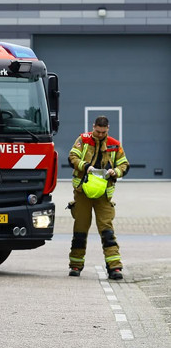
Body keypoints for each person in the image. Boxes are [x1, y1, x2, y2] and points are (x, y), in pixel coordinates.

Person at [67, 116, 130, 280]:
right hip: (83, 192)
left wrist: (116, 172)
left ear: (108, 129)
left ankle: (114, 267)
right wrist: (85, 166)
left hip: (103, 194)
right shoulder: (83, 139)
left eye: (103, 132)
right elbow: (72, 157)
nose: (100, 134)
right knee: (80, 229)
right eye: (97, 131)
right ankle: (75, 265)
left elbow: (124, 164)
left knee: (107, 230)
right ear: (93, 127)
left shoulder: (115, 144)